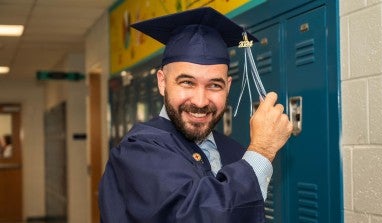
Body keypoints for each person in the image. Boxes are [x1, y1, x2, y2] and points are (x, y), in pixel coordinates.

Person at [99, 7, 293, 223]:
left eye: (214, 85)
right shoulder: (137, 152)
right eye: (187, 82)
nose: (200, 101)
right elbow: (195, 215)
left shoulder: (235, 152)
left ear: (228, 87)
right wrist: (262, 151)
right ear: (162, 82)